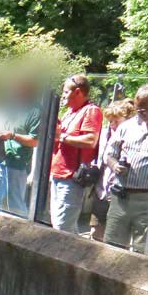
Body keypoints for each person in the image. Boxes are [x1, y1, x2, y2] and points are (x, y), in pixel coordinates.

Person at [103, 82, 148, 251]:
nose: (139, 113)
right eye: (137, 109)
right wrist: (115, 165)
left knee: (144, 252)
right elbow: (109, 153)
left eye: (144, 110)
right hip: (120, 196)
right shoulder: (127, 126)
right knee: (111, 248)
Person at [50, 74, 103, 233]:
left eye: (66, 92)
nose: (63, 95)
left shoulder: (91, 111)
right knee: (59, 225)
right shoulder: (69, 112)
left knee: (62, 227)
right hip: (57, 174)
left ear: (78, 92)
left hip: (72, 177)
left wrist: (62, 136)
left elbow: (90, 141)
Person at [0, 78, 41, 216]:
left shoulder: (36, 112)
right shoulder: (12, 105)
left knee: (15, 204)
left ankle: (22, 232)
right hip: (2, 159)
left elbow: (35, 141)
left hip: (19, 163)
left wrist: (12, 136)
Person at [90, 99, 135, 241]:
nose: (112, 125)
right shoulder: (105, 134)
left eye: (116, 121)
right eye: (110, 121)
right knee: (95, 232)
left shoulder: (134, 137)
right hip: (101, 190)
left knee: (116, 237)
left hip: (120, 193)